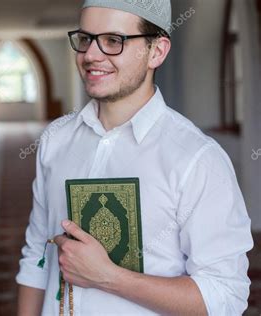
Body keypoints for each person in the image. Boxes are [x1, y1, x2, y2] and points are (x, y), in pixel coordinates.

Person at [15, 0, 254, 315]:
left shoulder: (197, 159)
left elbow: (225, 296)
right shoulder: (55, 140)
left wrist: (109, 277)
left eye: (114, 41)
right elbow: (37, 255)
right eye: (85, 39)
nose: (90, 55)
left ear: (157, 51)